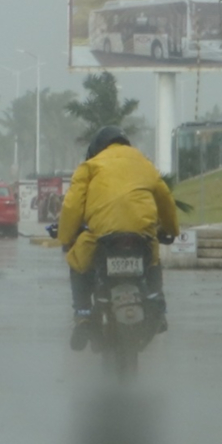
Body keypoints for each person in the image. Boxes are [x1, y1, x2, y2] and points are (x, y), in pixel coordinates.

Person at [57, 125, 179, 351]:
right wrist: (172, 229)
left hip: (102, 237)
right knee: (153, 263)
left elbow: (73, 205)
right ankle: (158, 308)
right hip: (142, 236)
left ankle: (82, 315)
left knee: (78, 264)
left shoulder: (90, 166)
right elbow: (165, 201)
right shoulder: (145, 164)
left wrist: (66, 237)